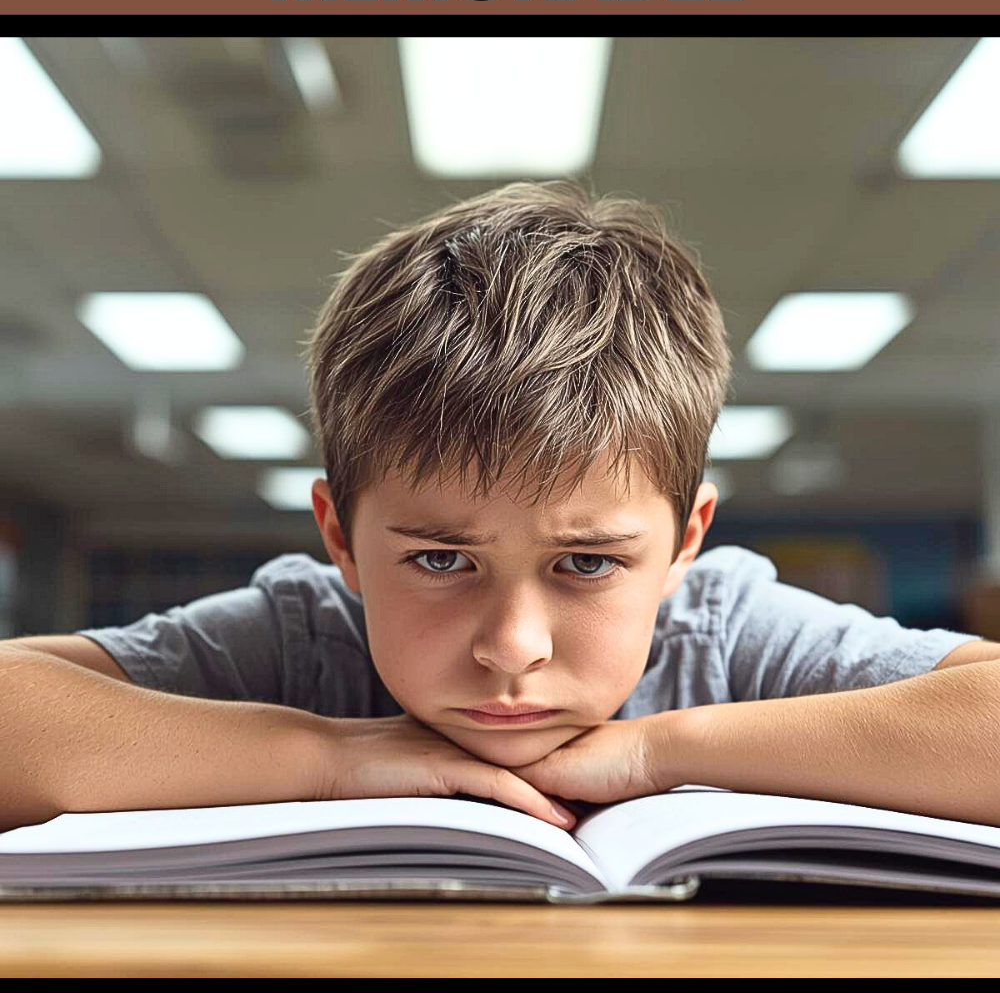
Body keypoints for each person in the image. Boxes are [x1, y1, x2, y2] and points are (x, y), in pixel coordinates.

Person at [3, 179, 998, 835]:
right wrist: (330, 758)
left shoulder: (722, 634)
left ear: (684, 541)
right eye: (440, 559)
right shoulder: (306, 637)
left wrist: (659, 749)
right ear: (341, 539)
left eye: (589, 563)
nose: (510, 647)